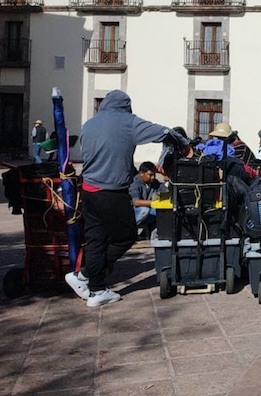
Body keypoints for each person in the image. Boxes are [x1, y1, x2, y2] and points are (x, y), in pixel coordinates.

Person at [67, 90, 187, 308]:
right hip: (111, 191)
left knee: (96, 239)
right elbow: (162, 132)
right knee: (126, 236)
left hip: (88, 190)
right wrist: (184, 142)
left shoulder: (90, 124)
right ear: (126, 106)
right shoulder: (128, 122)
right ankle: (85, 274)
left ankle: (96, 290)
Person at [129, 161, 162, 237]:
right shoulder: (134, 183)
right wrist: (153, 203)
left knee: (160, 211)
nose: (153, 177)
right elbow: (135, 202)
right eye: (150, 175)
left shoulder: (154, 183)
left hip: (148, 210)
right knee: (145, 210)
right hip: (134, 212)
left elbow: (164, 189)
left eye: (154, 175)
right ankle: (128, 231)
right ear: (141, 173)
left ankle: (148, 232)